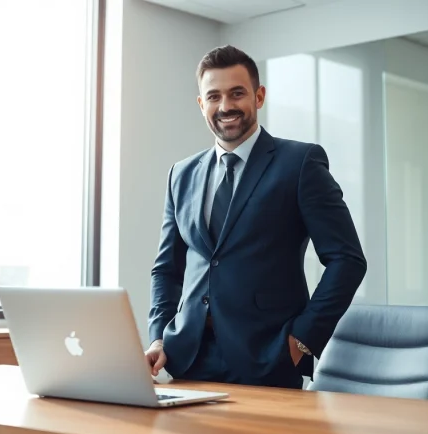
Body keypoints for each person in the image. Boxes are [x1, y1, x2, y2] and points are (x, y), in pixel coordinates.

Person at [144, 45, 367, 389]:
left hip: (267, 358)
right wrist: (159, 336)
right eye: (214, 96)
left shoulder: (300, 163)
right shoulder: (182, 174)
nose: (226, 106)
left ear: (259, 96)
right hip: (187, 358)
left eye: (237, 93)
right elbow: (167, 268)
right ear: (201, 104)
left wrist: (301, 340)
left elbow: (347, 260)